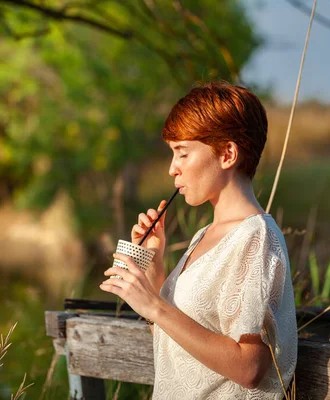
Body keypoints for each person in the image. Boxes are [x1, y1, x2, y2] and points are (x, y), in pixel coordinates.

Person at [99, 81, 298, 399]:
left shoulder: (255, 238)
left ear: (228, 154)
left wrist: (153, 306)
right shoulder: (204, 235)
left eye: (182, 153)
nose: (171, 170)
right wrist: (155, 266)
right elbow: (176, 343)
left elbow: (250, 368)